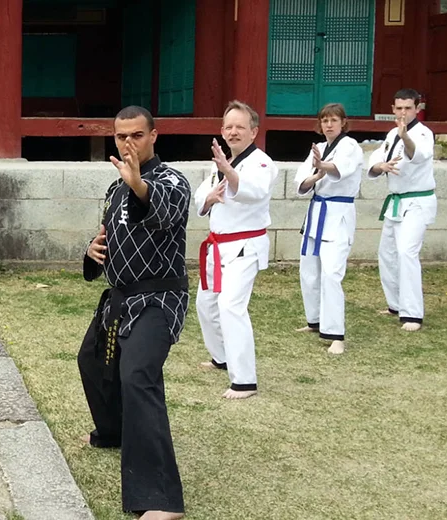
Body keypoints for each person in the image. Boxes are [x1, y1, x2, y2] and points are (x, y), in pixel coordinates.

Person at [79, 106, 188, 520]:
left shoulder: (170, 181)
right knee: (92, 361)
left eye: (137, 136)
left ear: (154, 136)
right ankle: (114, 433)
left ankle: (160, 500)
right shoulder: (114, 189)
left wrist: (139, 185)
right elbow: (108, 238)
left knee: (138, 376)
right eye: (121, 136)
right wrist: (92, 251)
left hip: (159, 301)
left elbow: (163, 211)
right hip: (121, 299)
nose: (128, 143)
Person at [193, 100, 279, 400]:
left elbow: (253, 191)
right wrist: (210, 198)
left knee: (231, 306)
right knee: (205, 304)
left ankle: (245, 380)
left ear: (253, 132)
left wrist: (227, 171)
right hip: (218, 246)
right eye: (228, 127)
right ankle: (222, 357)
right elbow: (201, 198)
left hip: (244, 246)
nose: (233, 132)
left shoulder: (262, 163)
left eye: (240, 127)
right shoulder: (221, 164)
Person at [294, 103, 364, 355]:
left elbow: (340, 169)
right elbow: (301, 179)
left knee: (332, 273)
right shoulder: (319, 148)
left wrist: (322, 167)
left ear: (343, 122)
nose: (329, 125)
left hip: (339, 213)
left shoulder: (350, 146)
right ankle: (314, 320)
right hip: (316, 213)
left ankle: (336, 334)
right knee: (309, 269)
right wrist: (312, 177)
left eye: (334, 120)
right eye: (325, 120)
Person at [367, 88, 435, 332]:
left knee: (407, 253)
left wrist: (406, 137)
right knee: (387, 254)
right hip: (396, 202)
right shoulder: (391, 133)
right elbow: (376, 160)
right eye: (399, 108)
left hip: (417, 202)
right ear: (392, 109)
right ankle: (395, 304)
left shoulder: (423, 133)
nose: (403, 112)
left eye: (408, 108)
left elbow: (418, 155)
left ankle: (413, 314)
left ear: (418, 108)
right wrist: (380, 166)